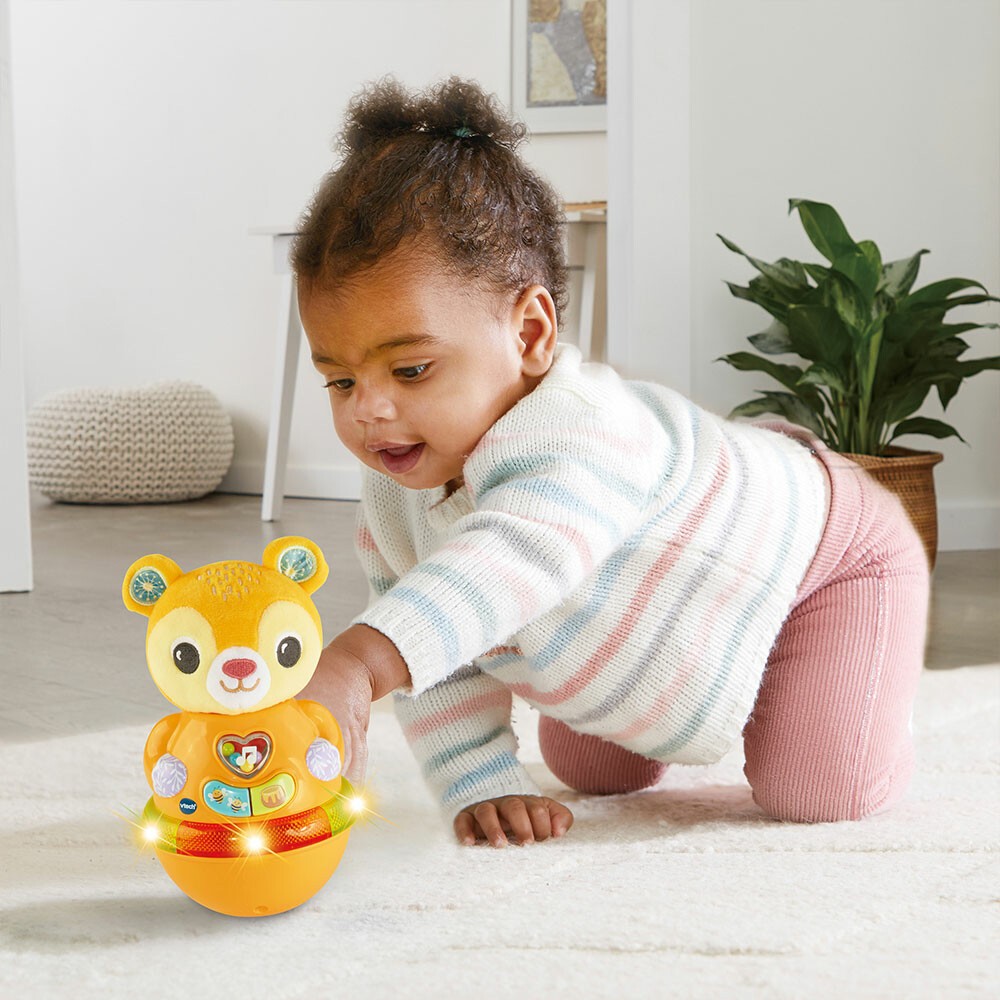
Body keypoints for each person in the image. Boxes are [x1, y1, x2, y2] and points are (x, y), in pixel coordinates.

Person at [291, 77, 930, 849]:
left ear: (530, 334)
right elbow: (436, 642)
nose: (368, 409)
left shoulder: (583, 429)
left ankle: (843, 684)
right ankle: (719, 662)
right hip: (649, 603)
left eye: (411, 370)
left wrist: (359, 661)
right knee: (592, 769)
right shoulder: (397, 484)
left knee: (817, 790)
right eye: (340, 381)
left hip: (831, 555)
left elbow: (508, 560)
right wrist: (480, 782)